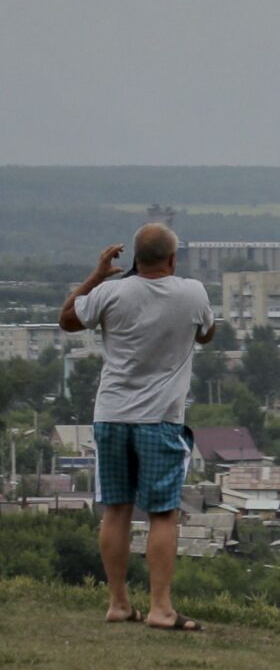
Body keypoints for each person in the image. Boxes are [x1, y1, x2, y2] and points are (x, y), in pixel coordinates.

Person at [59, 225, 216, 632]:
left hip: (110, 415)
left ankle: (118, 603)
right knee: (163, 514)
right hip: (160, 419)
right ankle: (161, 608)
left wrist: (97, 275)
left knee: (116, 509)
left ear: (134, 260)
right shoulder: (192, 292)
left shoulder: (112, 293)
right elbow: (207, 333)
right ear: (172, 259)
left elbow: (67, 320)